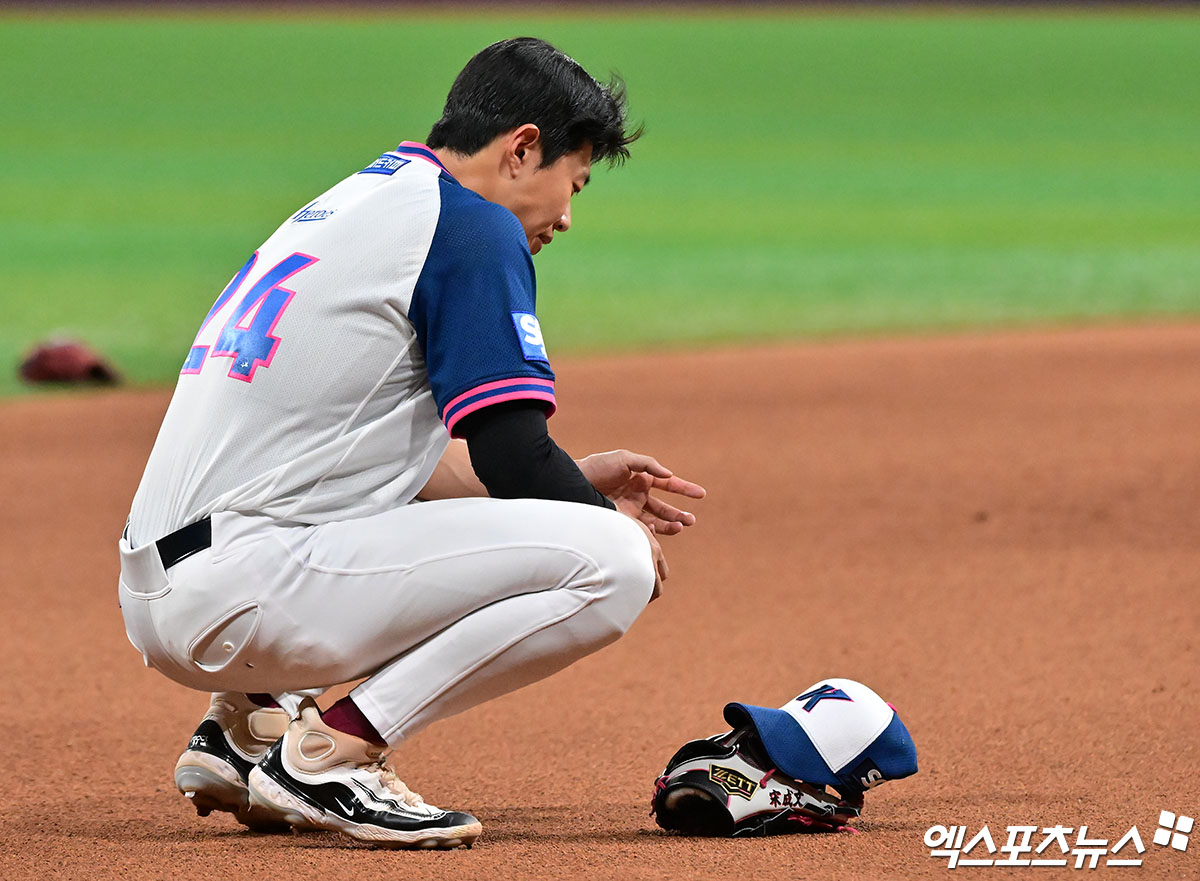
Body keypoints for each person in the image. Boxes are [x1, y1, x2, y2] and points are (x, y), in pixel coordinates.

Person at [117, 37, 705, 850]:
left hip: (170, 587)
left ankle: (244, 729)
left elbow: (398, 457)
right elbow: (509, 453)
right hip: (243, 592)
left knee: (407, 502)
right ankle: (333, 752)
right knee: (615, 564)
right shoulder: (470, 228)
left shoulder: (366, 199)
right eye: (572, 182)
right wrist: (601, 526)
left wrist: (577, 481)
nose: (567, 215)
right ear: (521, 147)